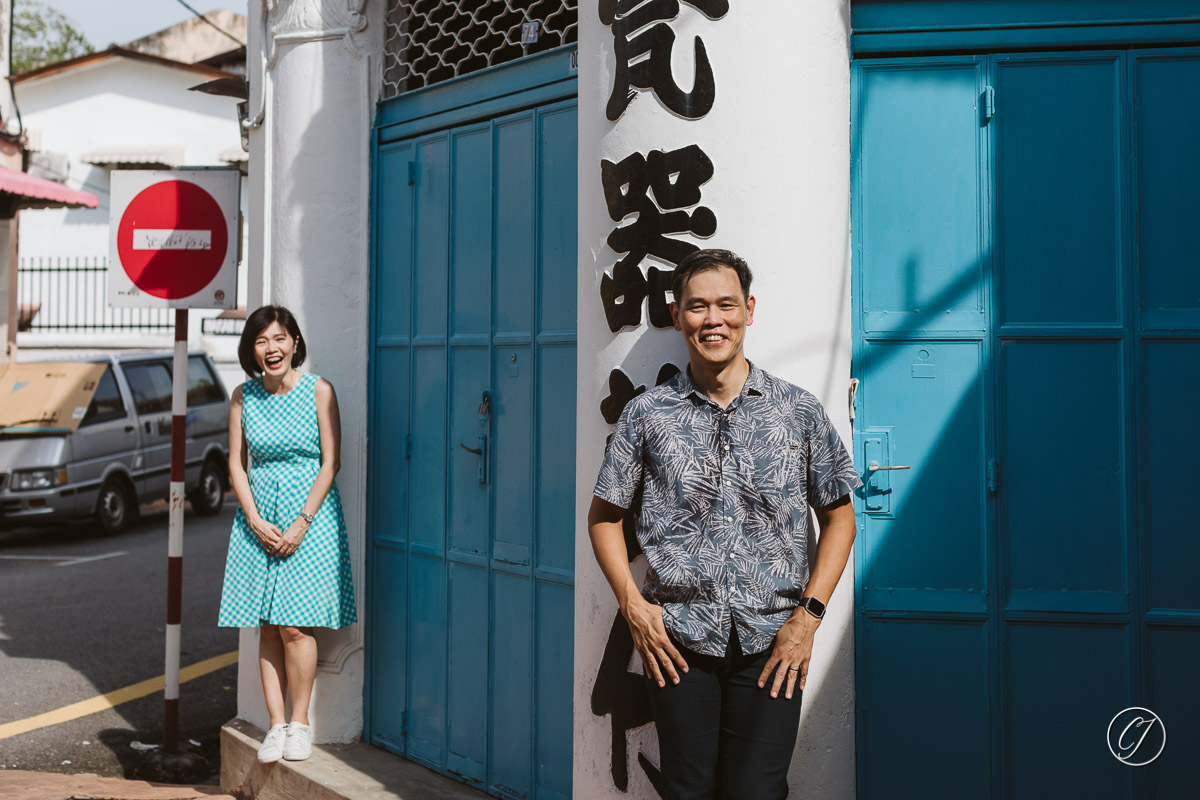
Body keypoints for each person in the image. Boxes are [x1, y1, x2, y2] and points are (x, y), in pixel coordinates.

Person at [588, 249, 861, 799]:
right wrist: (633, 604)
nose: (713, 319)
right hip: (679, 642)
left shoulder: (796, 410)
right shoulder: (648, 414)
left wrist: (807, 620)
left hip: (774, 641)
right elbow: (605, 518)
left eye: (726, 305)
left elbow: (839, 518)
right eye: (697, 307)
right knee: (687, 788)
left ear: (749, 310)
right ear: (676, 314)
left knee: (757, 791)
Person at [217, 305, 357, 763]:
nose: (271, 348)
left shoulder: (320, 391)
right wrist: (254, 518)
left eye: (279, 338)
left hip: (310, 518)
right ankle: (275, 726)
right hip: (258, 516)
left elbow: (330, 462)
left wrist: (301, 522)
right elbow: (236, 463)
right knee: (269, 626)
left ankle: (300, 724)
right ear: (252, 350)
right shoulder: (242, 396)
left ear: (295, 342)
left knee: (296, 625)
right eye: (261, 341)